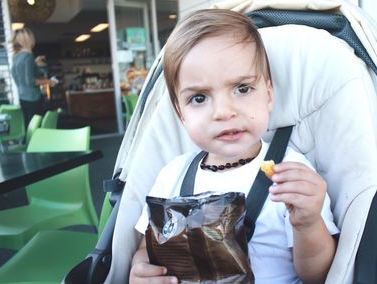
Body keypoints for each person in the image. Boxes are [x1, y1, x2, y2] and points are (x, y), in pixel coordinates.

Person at [130, 9, 339, 284]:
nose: (223, 111)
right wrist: (140, 269)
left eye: (242, 88)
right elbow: (148, 247)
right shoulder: (172, 175)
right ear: (180, 113)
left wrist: (308, 223)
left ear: (268, 95)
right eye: (199, 97)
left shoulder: (289, 173)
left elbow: (318, 276)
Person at [10, 27, 56, 129]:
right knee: (36, 128)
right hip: (33, 98)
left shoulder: (16, 57)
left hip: (23, 98)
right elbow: (30, 81)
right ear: (28, 40)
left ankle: (30, 145)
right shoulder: (28, 56)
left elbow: (19, 75)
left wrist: (34, 63)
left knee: (29, 128)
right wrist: (49, 81)